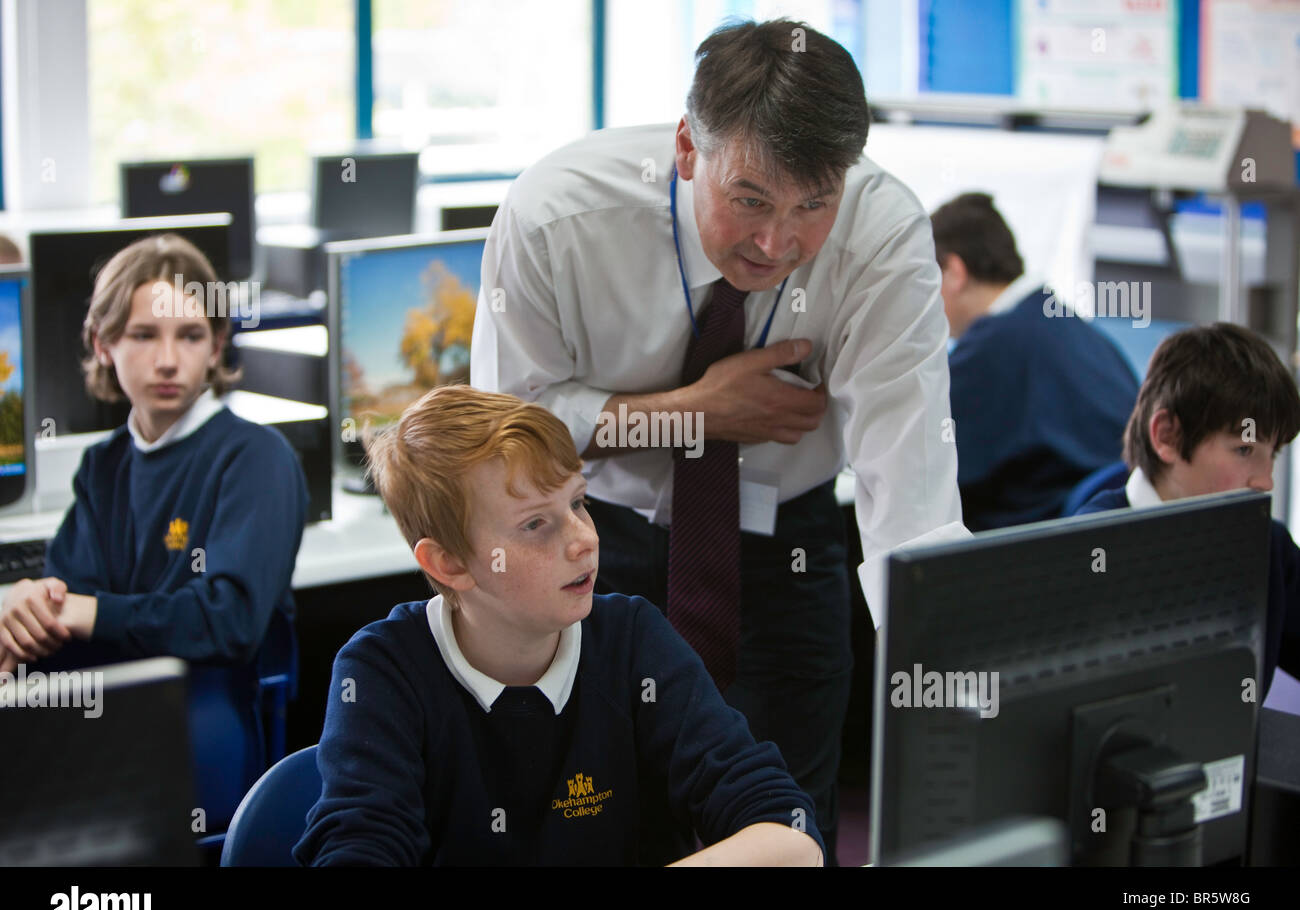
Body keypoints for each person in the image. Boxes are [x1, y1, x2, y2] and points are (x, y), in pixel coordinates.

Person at [470, 18, 967, 862]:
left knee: (785, 830)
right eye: (751, 200)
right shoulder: (558, 214)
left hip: (789, 554)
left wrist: (952, 681)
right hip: (595, 547)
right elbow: (510, 436)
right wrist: (695, 411)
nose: (779, 243)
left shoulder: (880, 232)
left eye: (814, 205)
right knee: (596, 823)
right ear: (687, 149)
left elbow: (908, 485)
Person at [294, 385, 824, 866]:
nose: (584, 540)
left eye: (577, 503)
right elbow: (358, 848)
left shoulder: (632, 640)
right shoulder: (384, 671)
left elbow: (789, 834)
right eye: (535, 524)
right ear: (449, 563)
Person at [0, 234, 308, 820]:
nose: (168, 360)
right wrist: (30, 601)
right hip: (105, 716)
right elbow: (65, 602)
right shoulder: (105, 466)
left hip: (200, 726)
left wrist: (81, 611)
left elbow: (228, 621)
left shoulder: (255, 457)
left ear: (217, 346)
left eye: (190, 336)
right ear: (104, 343)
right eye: (143, 335)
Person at [1075, 323, 1300, 697]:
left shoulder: (1268, 547)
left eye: (1271, 454)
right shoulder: (1090, 548)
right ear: (1168, 436)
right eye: (1244, 450)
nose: (1266, 481)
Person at [932, 192, 1140, 531]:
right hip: (1118, 526)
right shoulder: (1066, 324)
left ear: (955, 271)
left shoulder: (993, 345)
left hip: (1047, 539)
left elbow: (928, 463)